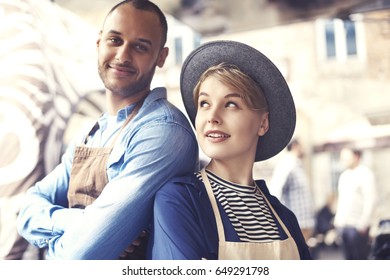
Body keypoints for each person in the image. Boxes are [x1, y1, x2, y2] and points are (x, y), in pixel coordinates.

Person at [16, 0, 198, 260]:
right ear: (99, 42)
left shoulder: (163, 132)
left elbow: (78, 258)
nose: (123, 55)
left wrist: (50, 242)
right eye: (115, 40)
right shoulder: (93, 131)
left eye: (140, 46)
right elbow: (27, 208)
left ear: (161, 57)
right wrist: (76, 222)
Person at [150, 40, 312, 260]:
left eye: (231, 104)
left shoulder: (285, 219)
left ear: (263, 123)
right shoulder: (180, 200)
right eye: (204, 104)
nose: (212, 117)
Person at [333, 147, 376, 260]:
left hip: (357, 226)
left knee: (360, 259)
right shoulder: (343, 176)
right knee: (347, 258)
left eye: (346, 158)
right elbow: (342, 200)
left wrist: (363, 223)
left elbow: (370, 199)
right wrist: (338, 221)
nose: (343, 161)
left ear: (356, 157)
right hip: (343, 226)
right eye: (342, 158)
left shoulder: (365, 174)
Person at [269, 139, 315, 242]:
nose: (304, 149)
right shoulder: (287, 165)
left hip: (304, 224)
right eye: (302, 146)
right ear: (295, 146)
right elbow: (275, 191)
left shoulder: (297, 165)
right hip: (296, 225)